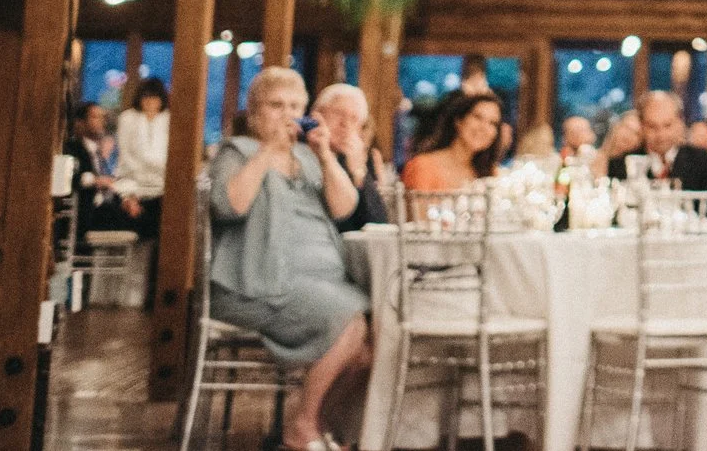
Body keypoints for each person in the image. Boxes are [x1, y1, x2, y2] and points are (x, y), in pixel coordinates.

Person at [207, 68, 370, 451]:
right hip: (254, 283)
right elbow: (229, 205)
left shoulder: (309, 156)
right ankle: (302, 427)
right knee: (351, 320)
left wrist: (327, 156)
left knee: (374, 340)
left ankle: (317, 425)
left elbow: (345, 207)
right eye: (276, 105)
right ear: (255, 113)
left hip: (321, 282)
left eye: (295, 106)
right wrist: (267, 153)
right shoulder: (237, 152)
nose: (287, 114)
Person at [312, 82, 392, 230]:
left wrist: (359, 174)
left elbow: (378, 224)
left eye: (354, 119)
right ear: (317, 115)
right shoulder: (303, 152)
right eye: (338, 114)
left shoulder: (361, 159)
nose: (345, 124)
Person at [403, 90, 504, 191]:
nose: (484, 127)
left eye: (493, 123)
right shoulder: (423, 167)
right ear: (459, 121)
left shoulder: (491, 173)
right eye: (477, 117)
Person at [113, 76, 171, 240]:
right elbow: (125, 157)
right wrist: (128, 194)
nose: (150, 102)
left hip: (163, 191)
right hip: (135, 188)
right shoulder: (128, 118)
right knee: (138, 238)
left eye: (155, 97)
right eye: (146, 97)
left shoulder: (169, 119)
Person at [64, 103, 121, 237]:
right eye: (95, 117)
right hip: (87, 211)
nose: (101, 122)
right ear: (80, 122)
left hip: (103, 207)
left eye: (102, 118)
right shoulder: (73, 147)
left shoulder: (97, 151)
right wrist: (96, 181)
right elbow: (72, 177)